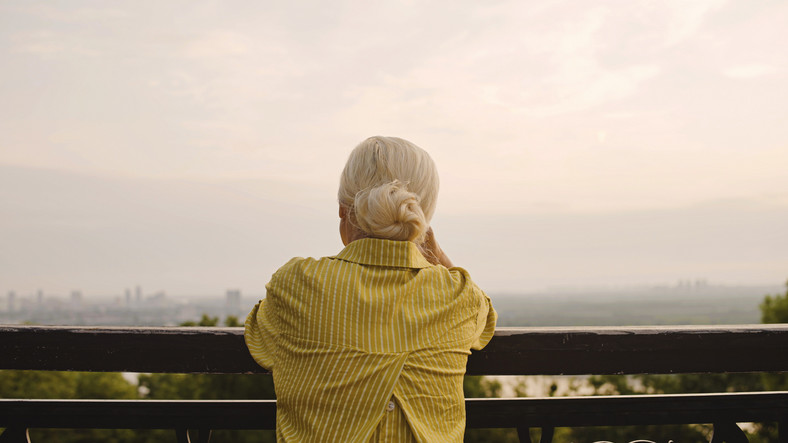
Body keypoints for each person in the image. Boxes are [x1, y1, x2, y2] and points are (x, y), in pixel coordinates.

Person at [245, 136, 497, 442]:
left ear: (342, 211)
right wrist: (433, 252)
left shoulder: (295, 285)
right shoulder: (459, 296)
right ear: (422, 220)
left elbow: (262, 342)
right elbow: (483, 322)